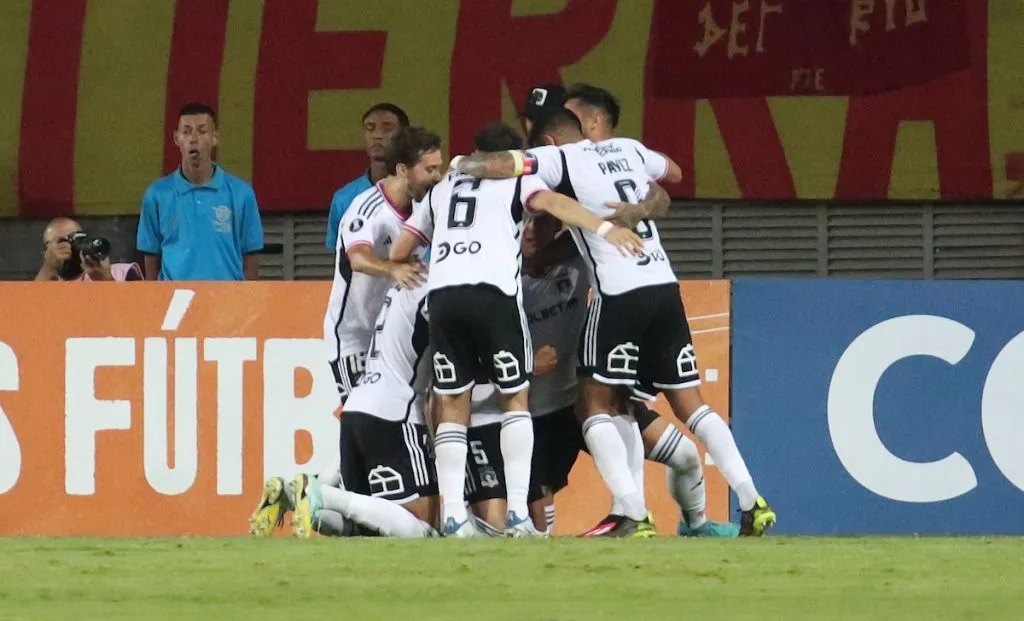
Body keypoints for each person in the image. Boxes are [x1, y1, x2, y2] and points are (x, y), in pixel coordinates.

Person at [451, 110, 776, 537]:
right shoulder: (628, 149)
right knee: (690, 403)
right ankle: (752, 500)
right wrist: (638, 209)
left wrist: (461, 165)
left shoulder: (559, 160)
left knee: (592, 404)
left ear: (548, 142)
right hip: (663, 285)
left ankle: (632, 511)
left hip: (620, 291)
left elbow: (505, 165)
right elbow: (673, 175)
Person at [391, 122, 642, 537]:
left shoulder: (441, 191)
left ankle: (453, 517)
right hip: (494, 298)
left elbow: (402, 248)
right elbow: (557, 204)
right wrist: (605, 228)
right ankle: (519, 517)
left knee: (452, 405)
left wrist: (410, 269)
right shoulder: (517, 183)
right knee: (515, 400)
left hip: (445, 299)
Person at [137, 102, 264, 281]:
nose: (193, 138)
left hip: (227, 303)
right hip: (177, 302)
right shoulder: (156, 195)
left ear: (215, 138)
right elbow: (151, 260)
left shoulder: (241, 194)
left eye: (202, 131)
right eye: (186, 131)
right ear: (176, 138)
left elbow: (251, 261)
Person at [325, 103, 410, 250]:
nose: (377, 135)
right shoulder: (343, 198)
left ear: (404, 135)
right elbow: (338, 254)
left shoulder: (420, 194)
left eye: (387, 128)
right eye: (370, 128)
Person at [35, 217, 143, 282]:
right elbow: (26, 312)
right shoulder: (46, 281)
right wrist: (48, 269)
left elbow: (138, 311)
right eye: (62, 242)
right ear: (46, 251)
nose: (70, 247)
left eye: (74, 239)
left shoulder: (123, 273)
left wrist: (106, 280)